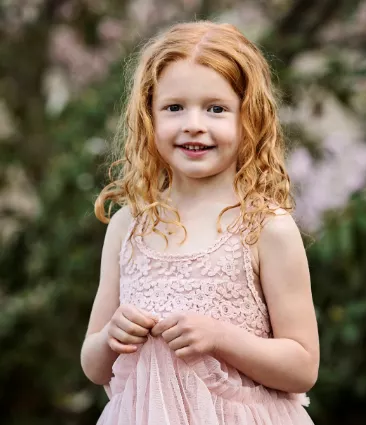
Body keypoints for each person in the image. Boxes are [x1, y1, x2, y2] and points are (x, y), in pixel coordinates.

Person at [80, 21, 317, 424]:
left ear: (249, 119)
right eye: (174, 107)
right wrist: (109, 338)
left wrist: (220, 337)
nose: (193, 123)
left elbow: (302, 365)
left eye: (216, 108)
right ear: (149, 118)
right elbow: (93, 364)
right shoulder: (128, 226)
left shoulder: (266, 228)